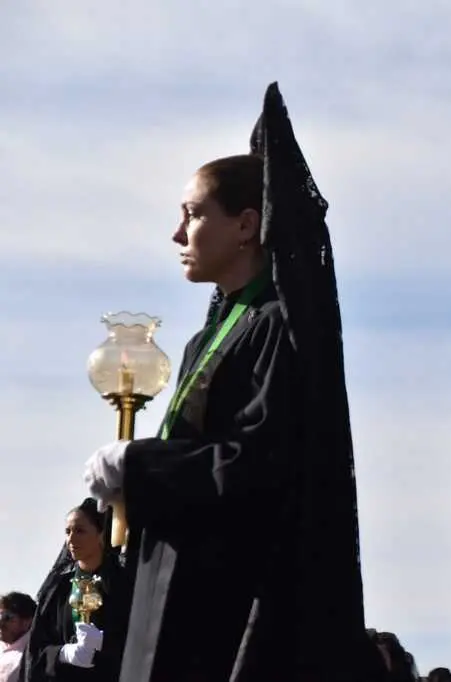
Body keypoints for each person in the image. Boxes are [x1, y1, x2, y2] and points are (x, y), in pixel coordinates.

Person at [81, 83, 384, 682]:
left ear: (246, 225)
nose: (178, 234)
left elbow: (257, 464)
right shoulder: (211, 336)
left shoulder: (277, 328)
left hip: (226, 604)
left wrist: (139, 464)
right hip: (172, 583)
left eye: (193, 215)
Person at [21, 499, 129, 682]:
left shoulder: (123, 584)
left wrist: (105, 644)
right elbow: (35, 652)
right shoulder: (58, 589)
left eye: (80, 531)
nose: (71, 539)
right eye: (68, 531)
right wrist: (63, 653)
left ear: (101, 534)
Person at [0, 592, 35, 682]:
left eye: (7, 617)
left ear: (26, 622)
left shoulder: (30, 658)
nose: (1, 623)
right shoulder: (4, 646)